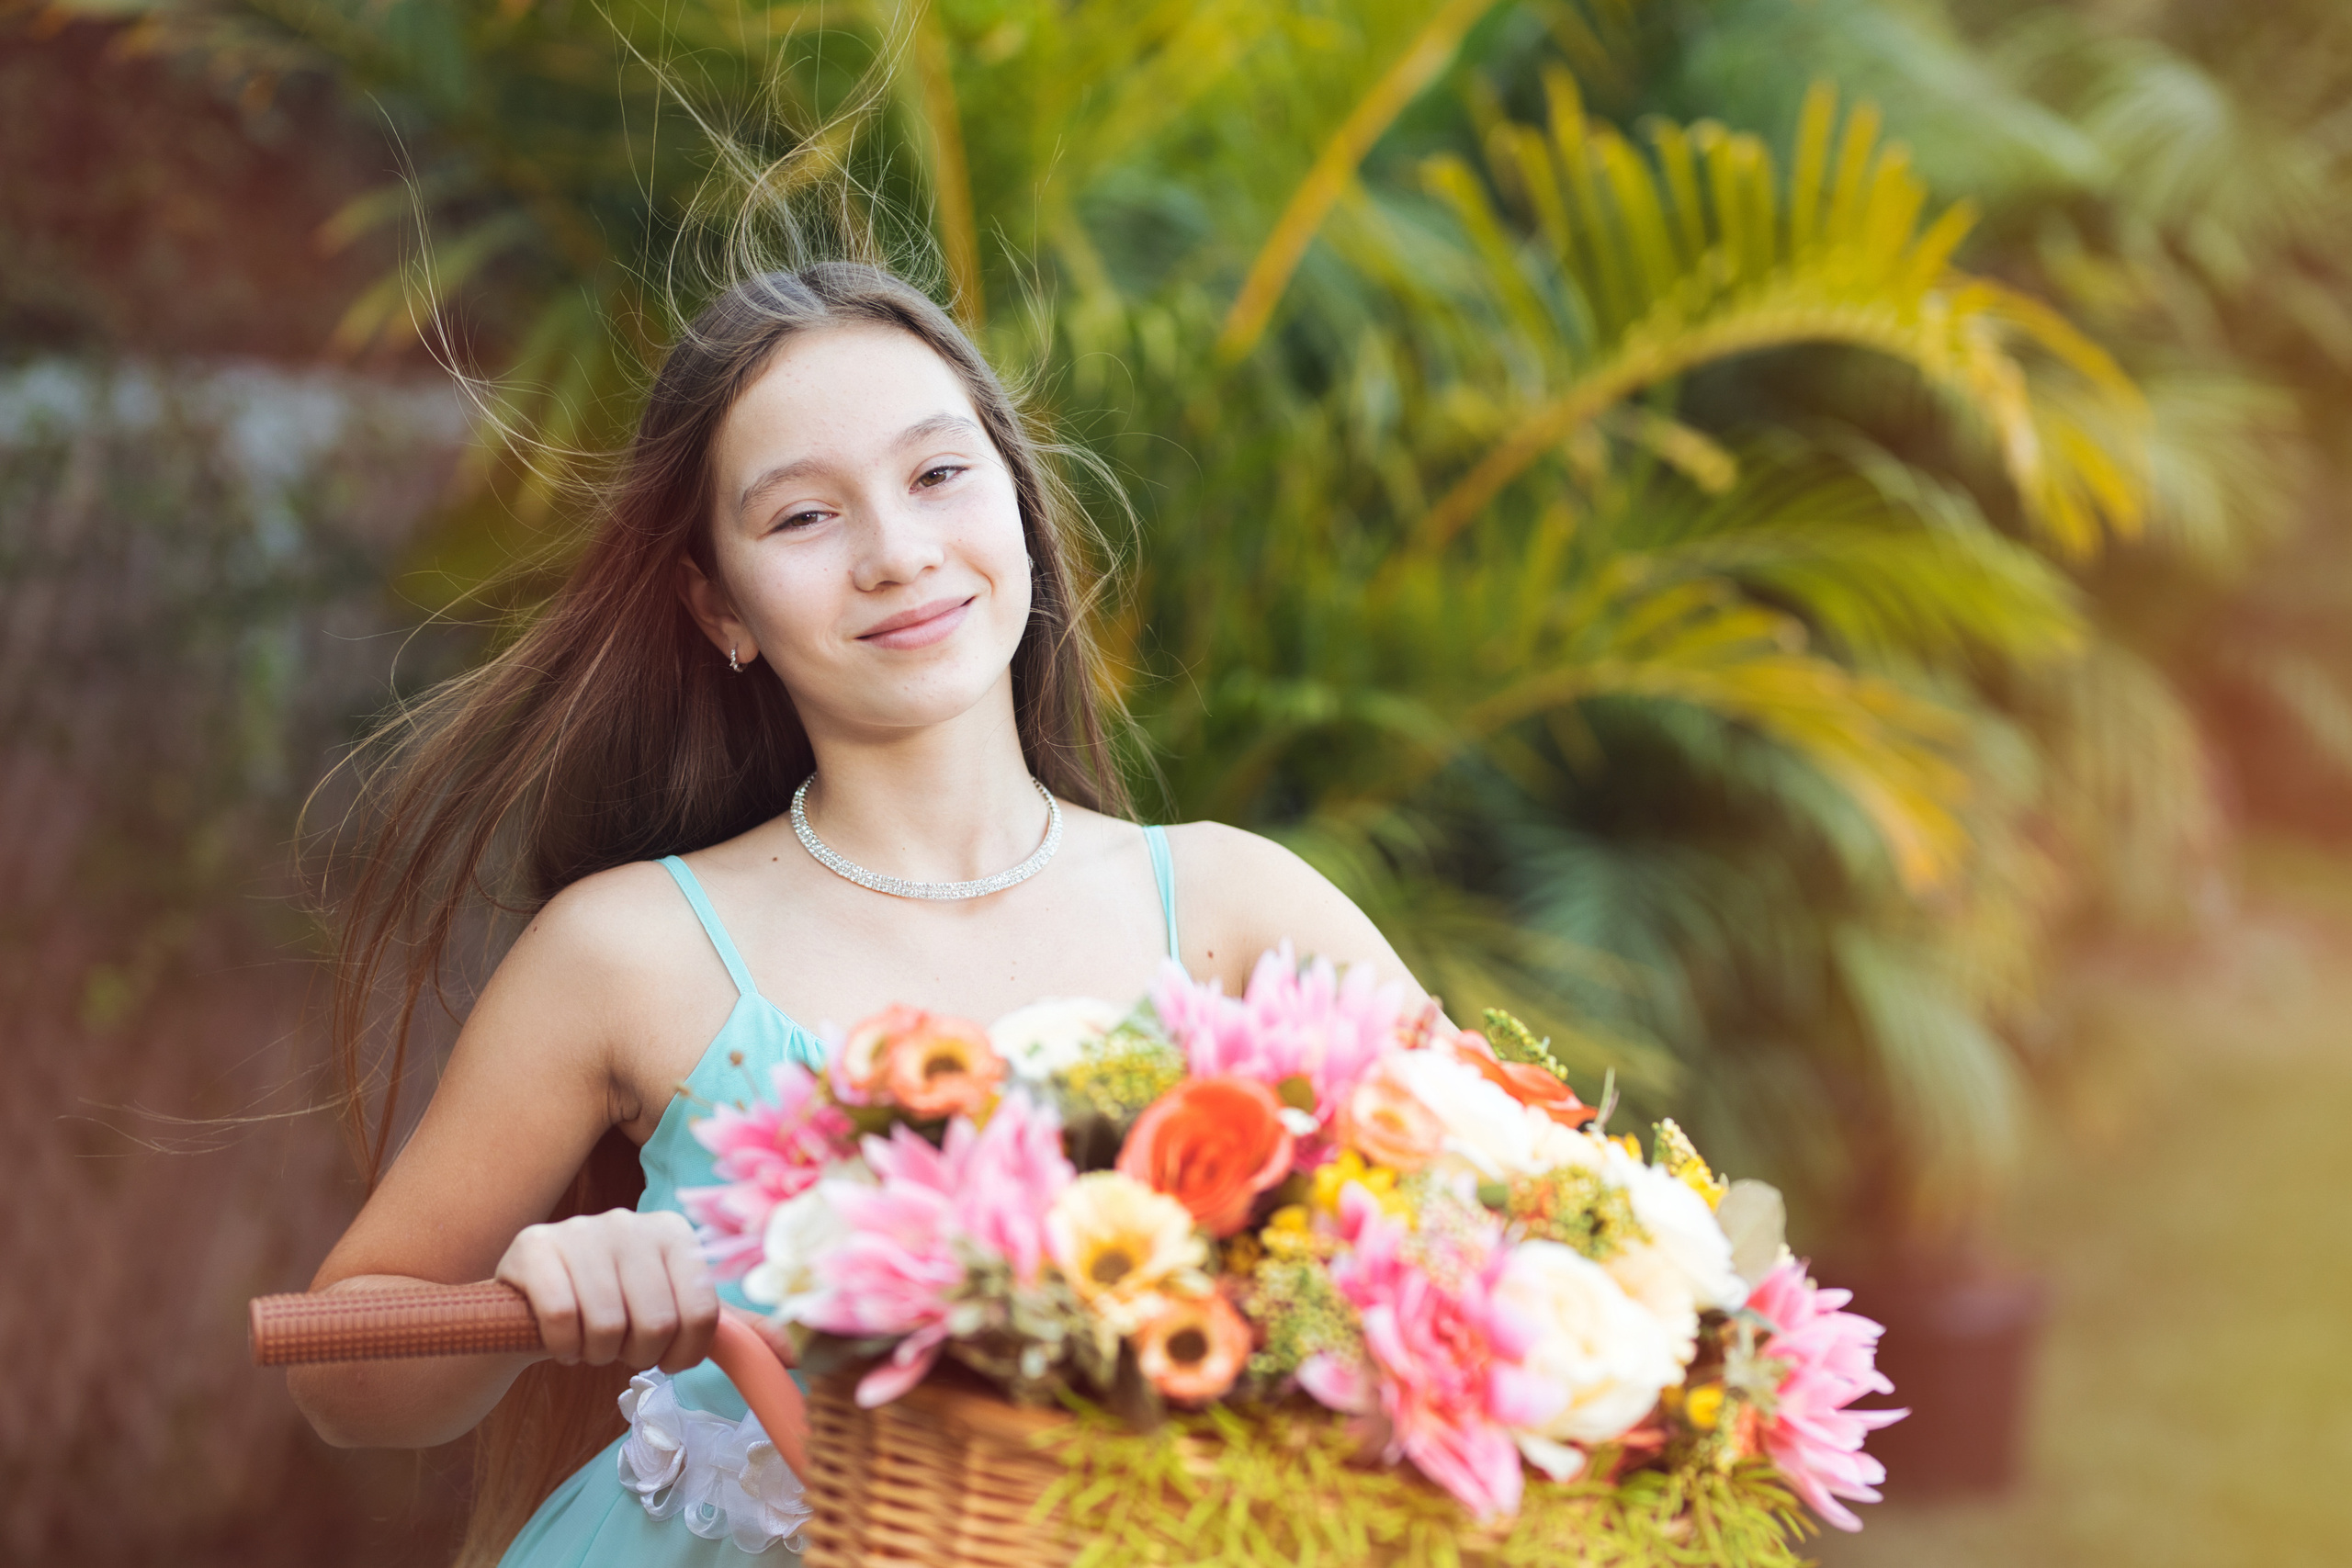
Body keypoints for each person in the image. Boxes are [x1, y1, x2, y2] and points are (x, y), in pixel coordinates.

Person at [288, 261, 1420, 1565]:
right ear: (721, 606)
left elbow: (1535, 1247)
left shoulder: (1241, 905)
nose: (898, 553)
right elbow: (344, 1372)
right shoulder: (626, 952)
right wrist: (531, 1294)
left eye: (939, 475)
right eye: (805, 518)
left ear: (1017, 501)